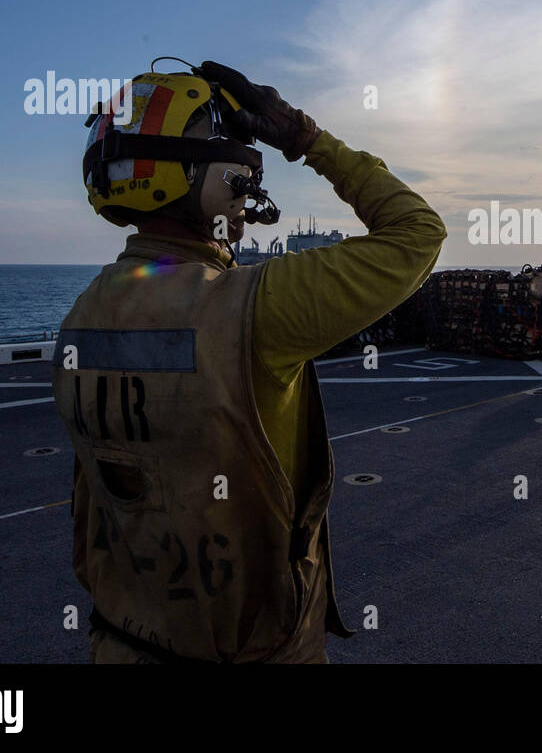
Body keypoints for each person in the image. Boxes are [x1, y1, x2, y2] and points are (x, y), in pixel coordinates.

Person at [51, 60, 447, 663]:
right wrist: (304, 138)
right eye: (240, 176)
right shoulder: (255, 307)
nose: (247, 201)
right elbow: (417, 233)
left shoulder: (82, 315)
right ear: (212, 180)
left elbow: (89, 517)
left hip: (119, 642)